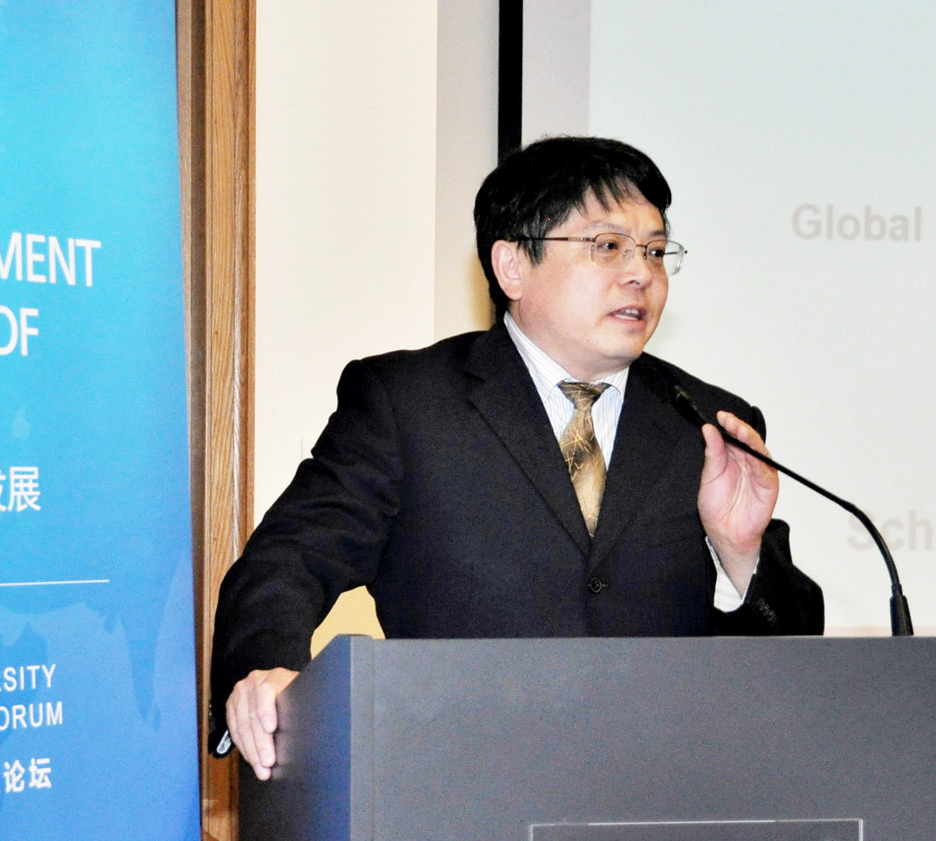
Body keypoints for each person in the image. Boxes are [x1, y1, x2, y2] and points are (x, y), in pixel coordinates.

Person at [210, 136, 824, 778]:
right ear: (511, 266)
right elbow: (288, 561)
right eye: (607, 246)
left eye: (654, 250)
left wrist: (740, 554)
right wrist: (265, 672)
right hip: (459, 787)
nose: (641, 273)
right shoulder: (409, 404)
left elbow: (796, 670)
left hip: (667, 790)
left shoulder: (707, 423)